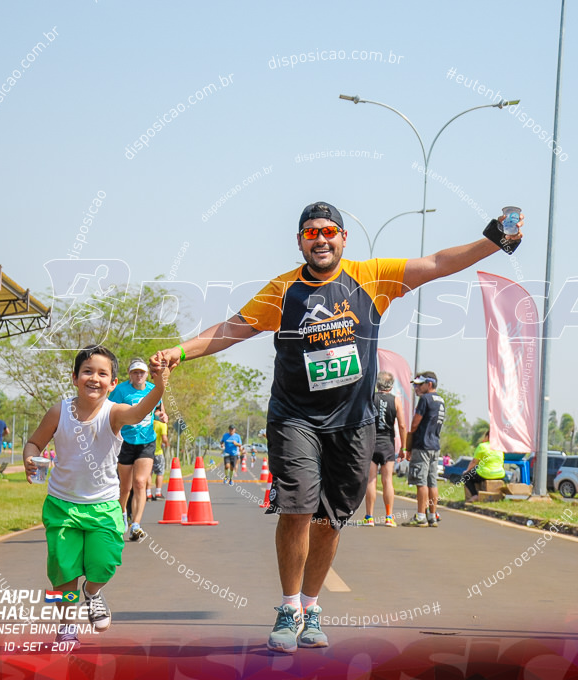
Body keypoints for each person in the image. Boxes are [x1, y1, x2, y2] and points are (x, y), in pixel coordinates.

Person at [152, 200, 523, 653]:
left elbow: (438, 263)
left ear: (343, 239)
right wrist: (181, 352)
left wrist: (492, 241)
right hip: (294, 416)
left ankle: (311, 608)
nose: (321, 239)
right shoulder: (283, 290)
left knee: (330, 522)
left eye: (329, 231)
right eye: (311, 233)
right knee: (297, 507)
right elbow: (234, 328)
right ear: (300, 241)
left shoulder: (370, 277)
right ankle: (289, 608)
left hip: (352, 422)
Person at [23, 345, 169, 649]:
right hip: (62, 504)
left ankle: (92, 592)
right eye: (87, 371)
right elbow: (35, 442)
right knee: (62, 569)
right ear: (75, 377)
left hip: (104, 505)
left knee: (105, 563)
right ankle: (66, 627)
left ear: (113, 383)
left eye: (103, 374)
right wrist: (30, 457)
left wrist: (160, 385)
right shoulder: (58, 411)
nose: (94, 378)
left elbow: (139, 411)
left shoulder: (114, 412)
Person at [109, 358, 158, 542]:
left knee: (140, 482)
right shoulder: (120, 390)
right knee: (125, 487)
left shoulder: (153, 389)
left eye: (142, 372)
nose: (139, 375)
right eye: (135, 372)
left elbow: (159, 410)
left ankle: (136, 525)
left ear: (146, 374)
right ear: (130, 374)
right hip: (125, 442)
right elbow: (111, 412)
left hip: (147, 441)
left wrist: (162, 415)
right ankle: (122, 516)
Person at [361, 372, 405, 527]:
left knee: (371, 481)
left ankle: (369, 517)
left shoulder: (370, 398)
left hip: (371, 443)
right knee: (387, 481)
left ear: (377, 384)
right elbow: (402, 425)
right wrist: (404, 447)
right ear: (391, 386)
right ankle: (388, 517)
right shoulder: (396, 401)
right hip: (388, 444)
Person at [405, 372, 445, 528]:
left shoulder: (425, 399)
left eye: (419, 384)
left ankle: (420, 516)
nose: (416, 388)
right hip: (435, 445)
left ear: (429, 384)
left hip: (422, 446)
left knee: (420, 482)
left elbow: (415, 424)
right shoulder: (440, 401)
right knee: (432, 482)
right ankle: (432, 516)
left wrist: (409, 446)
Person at [464, 429, 506, 499]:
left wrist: (467, 471)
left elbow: (474, 462)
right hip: (500, 474)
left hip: (486, 474)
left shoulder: (482, 446)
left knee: (466, 477)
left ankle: (475, 495)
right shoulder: (500, 447)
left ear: (487, 437)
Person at [150, 405, 169, 501]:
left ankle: (148, 494)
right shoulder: (162, 424)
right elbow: (164, 438)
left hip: (148, 451)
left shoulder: (150, 422)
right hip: (158, 452)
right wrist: (167, 443)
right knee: (160, 472)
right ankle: (158, 493)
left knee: (149, 474)